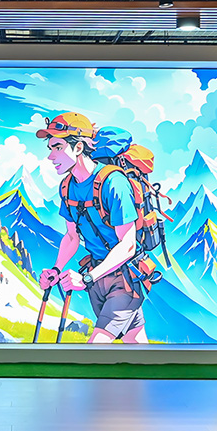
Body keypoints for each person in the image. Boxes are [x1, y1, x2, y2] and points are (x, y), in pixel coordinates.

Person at [36, 112, 148, 344]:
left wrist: (87, 278)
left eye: (58, 147)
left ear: (78, 147)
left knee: (95, 347)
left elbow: (128, 245)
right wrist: (56, 269)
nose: (50, 156)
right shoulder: (67, 187)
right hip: (97, 279)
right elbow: (71, 237)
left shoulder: (114, 182)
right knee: (135, 341)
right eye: (50, 148)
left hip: (125, 279)